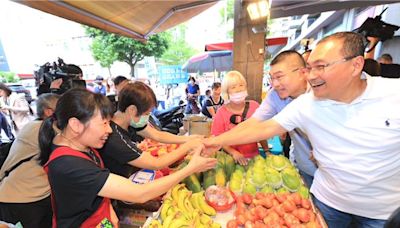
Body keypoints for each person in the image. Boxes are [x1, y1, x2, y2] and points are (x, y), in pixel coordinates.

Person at [205, 32, 400, 227]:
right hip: (328, 202)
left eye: (321, 66)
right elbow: (260, 127)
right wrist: (212, 141)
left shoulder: (393, 95)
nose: (312, 75)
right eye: (310, 67)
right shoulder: (306, 104)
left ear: (356, 65)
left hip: (381, 212)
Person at [38, 88, 216, 227]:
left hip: (101, 221)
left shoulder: (81, 146)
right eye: (104, 123)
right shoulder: (68, 165)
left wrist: (109, 215)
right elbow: (139, 193)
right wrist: (190, 168)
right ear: (76, 125)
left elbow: (95, 192)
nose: (109, 130)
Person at [226, 50, 316, 187]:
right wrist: (215, 142)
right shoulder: (275, 95)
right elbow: (253, 124)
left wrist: (324, 147)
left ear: (302, 73)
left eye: (279, 77)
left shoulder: (321, 94)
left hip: (333, 173)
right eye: (272, 78)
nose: (275, 84)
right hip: (302, 166)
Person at [100, 81, 206, 178]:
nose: (147, 117)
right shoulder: (115, 138)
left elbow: (157, 135)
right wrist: (187, 146)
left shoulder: (129, 122)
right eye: (146, 114)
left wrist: (188, 139)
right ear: (132, 110)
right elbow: (156, 164)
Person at [0, 93, 60, 227]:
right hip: (20, 198)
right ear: (49, 112)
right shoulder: (41, 129)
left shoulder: (35, 126)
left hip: (29, 195)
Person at [211, 71, 269, 165]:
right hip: (230, 161)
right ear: (227, 91)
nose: (238, 89)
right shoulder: (221, 112)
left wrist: (266, 151)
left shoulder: (254, 106)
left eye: (241, 85)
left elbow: (261, 132)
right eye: (233, 87)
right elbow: (218, 138)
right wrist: (234, 152)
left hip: (254, 158)